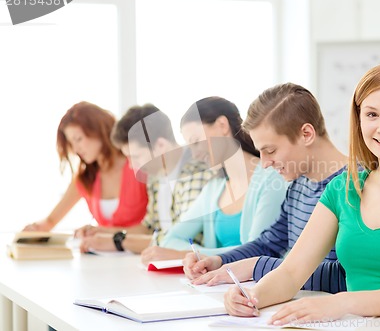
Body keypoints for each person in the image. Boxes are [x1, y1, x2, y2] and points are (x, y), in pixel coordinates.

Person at [224, 62, 380, 331]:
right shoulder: (342, 190)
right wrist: (252, 296)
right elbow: (291, 273)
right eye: (372, 114)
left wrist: (342, 303)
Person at [183, 83, 348, 294]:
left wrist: (255, 267)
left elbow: (346, 275)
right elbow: (269, 243)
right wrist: (219, 260)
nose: (264, 163)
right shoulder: (299, 185)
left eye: (270, 150)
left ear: (306, 134)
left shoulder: (357, 186)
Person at [140, 97, 288, 265]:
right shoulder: (213, 189)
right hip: (219, 286)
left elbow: (258, 251)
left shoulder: (272, 179)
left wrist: (192, 256)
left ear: (222, 126)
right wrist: (195, 256)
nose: (195, 154)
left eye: (196, 142)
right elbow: (170, 239)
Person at [77, 104, 213, 254]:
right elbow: (149, 228)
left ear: (161, 145)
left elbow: (187, 240)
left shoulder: (196, 171)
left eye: (136, 156)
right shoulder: (156, 175)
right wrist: (102, 232)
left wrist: (118, 241)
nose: (131, 166)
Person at [23, 102, 148, 232]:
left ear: (98, 130)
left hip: (143, 251)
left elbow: (152, 227)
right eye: (71, 143)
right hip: (101, 252)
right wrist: (33, 229)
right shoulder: (85, 178)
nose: (76, 149)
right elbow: (50, 221)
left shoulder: (138, 163)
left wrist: (100, 232)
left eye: (78, 139)